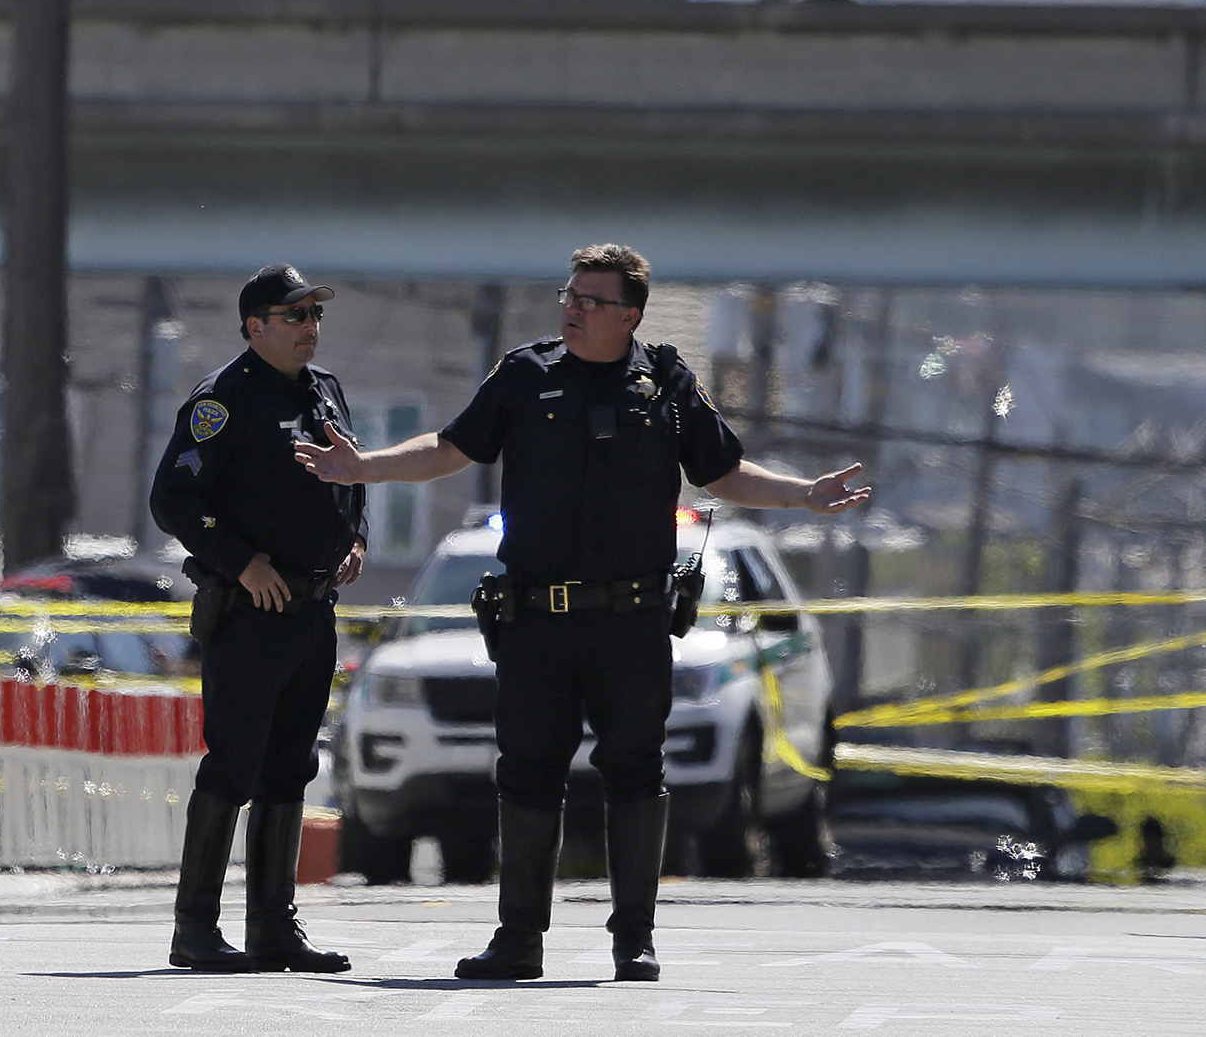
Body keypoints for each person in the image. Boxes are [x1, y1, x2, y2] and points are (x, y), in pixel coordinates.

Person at [297, 244, 867, 983]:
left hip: (630, 619)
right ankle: (518, 941)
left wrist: (805, 493)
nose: (573, 308)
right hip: (536, 618)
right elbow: (448, 449)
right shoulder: (525, 374)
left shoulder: (664, 382)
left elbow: (722, 471)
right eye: (569, 295)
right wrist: (363, 466)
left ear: (629, 314)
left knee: (636, 773)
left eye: (591, 301)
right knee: (527, 775)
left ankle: (634, 938)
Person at [149, 264, 367, 975]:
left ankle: (275, 926)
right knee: (235, 763)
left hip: (312, 610)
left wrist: (354, 539)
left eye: (314, 316)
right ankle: (195, 929)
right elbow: (175, 499)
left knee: (290, 769)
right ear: (255, 327)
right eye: (295, 316)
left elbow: (350, 475)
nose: (310, 327)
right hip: (251, 612)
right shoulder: (224, 399)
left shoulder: (325, 391)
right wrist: (241, 561)